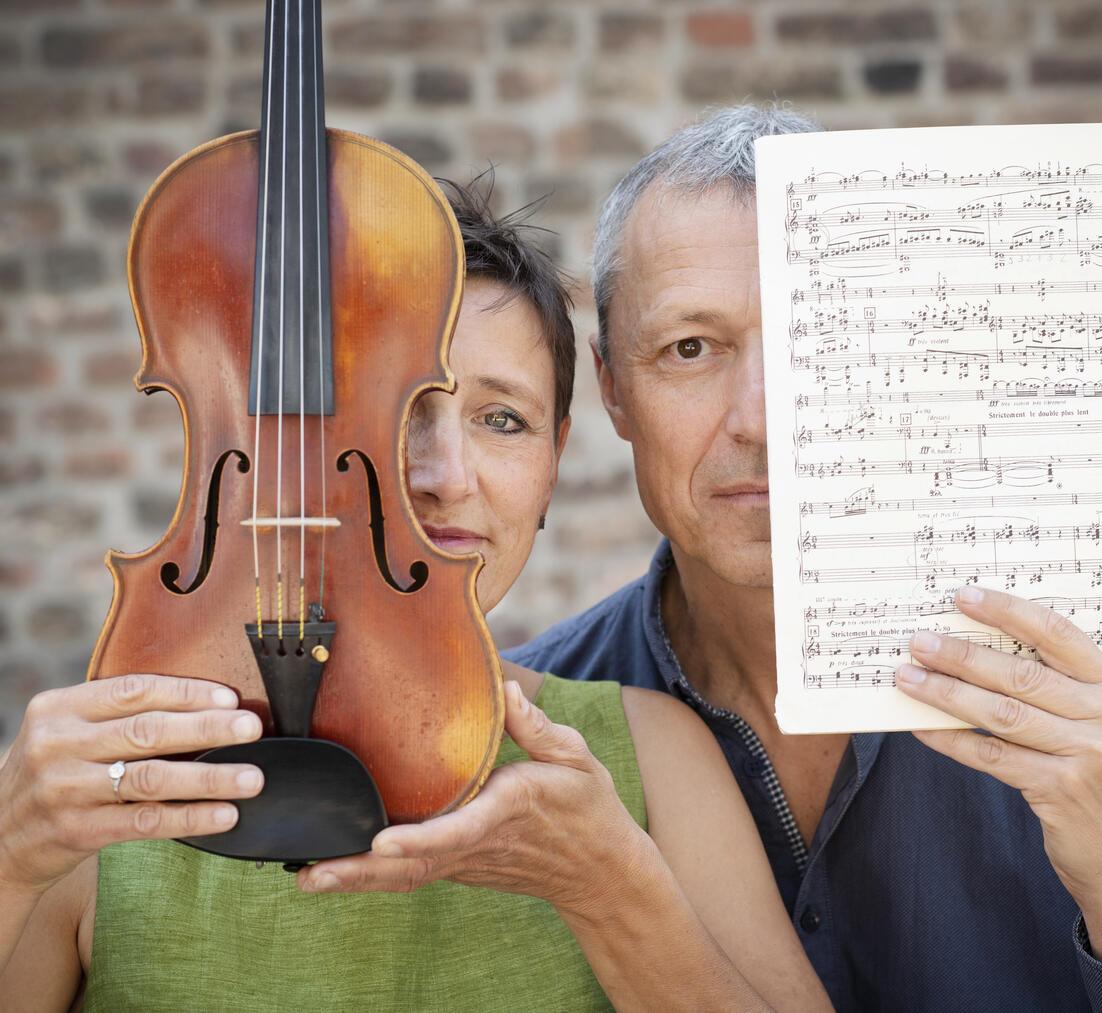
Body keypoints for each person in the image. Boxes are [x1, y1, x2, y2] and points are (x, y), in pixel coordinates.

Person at [500, 107, 1102, 1010]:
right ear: (612, 386)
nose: (763, 418)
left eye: (817, 343)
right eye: (691, 348)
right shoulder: (529, 725)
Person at [0, 178, 831, 1012]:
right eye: (396, 413)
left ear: (553, 465)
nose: (447, 477)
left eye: (502, 419)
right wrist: (5, 861)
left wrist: (610, 888)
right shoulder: (105, 784)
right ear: (294, 446)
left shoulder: (653, 758)